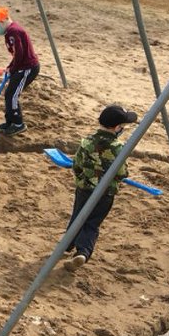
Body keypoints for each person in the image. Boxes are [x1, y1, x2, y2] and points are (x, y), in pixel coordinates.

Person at [64, 104, 138, 271]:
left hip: (84, 188)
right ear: (117, 127)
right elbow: (121, 172)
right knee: (92, 223)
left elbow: (77, 164)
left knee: (78, 216)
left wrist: (82, 178)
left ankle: (67, 244)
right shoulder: (118, 147)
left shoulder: (87, 142)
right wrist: (122, 175)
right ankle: (82, 252)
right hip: (105, 193)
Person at [0, 6, 40, 135]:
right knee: (9, 93)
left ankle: (18, 123)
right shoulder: (10, 32)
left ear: (2, 22)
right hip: (21, 67)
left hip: (28, 68)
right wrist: (11, 67)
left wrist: (13, 68)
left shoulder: (13, 32)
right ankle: (9, 122)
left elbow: (20, 54)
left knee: (13, 95)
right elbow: (16, 55)